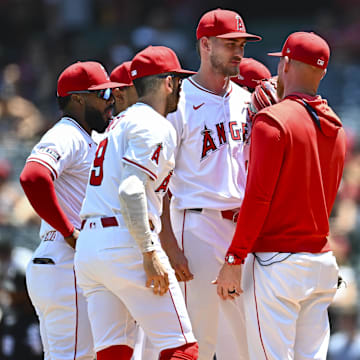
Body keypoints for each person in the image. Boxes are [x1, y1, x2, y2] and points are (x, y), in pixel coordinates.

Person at [215, 31, 346, 360]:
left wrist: (234, 258)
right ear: (323, 72)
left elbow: (258, 198)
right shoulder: (337, 125)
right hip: (321, 261)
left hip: (278, 263)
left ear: (285, 64)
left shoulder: (272, 120)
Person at [74, 45, 198, 360]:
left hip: (90, 246)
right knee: (182, 348)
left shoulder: (116, 126)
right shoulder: (153, 124)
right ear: (169, 82)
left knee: (114, 352)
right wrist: (148, 250)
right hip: (124, 241)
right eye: (179, 82)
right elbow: (131, 190)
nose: (180, 89)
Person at [161, 8, 261, 360]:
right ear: (205, 44)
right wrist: (168, 244)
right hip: (197, 224)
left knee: (245, 341)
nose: (238, 51)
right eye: (229, 43)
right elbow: (160, 181)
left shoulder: (248, 101)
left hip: (242, 230)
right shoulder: (179, 102)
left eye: (241, 44)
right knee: (198, 341)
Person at [19, 61, 122, 360]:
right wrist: (69, 232)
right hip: (66, 261)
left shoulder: (87, 136)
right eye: (101, 95)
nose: (110, 101)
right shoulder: (67, 133)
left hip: (63, 262)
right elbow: (33, 176)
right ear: (77, 99)